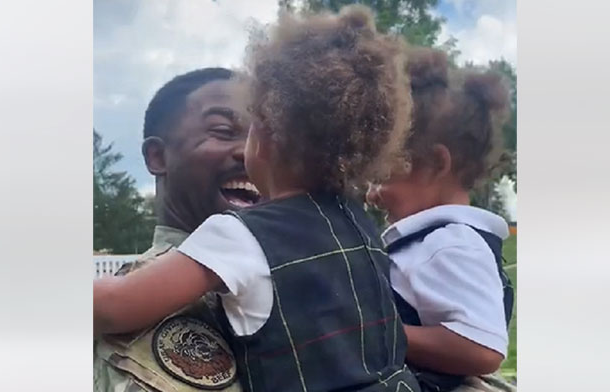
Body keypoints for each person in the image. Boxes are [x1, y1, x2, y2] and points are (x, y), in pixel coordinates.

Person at [94, 6, 421, 391]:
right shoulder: (360, 227)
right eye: (221, 129)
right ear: (157, 156)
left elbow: (114, 306)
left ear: (266, 138)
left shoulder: (238, 237)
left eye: (251, 130)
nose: (240, 150)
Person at [94, 67, 257, 392]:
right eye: (225, 131)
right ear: (158, 156)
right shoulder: (140, 310)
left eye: (264, 139)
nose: (252, 152)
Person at [366, 47, 516, 392]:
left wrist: (373, 330)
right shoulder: (431, 242)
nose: (372, 193)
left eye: (382, 173)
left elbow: (482, 348)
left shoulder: (449, 244)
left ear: (435, 163)